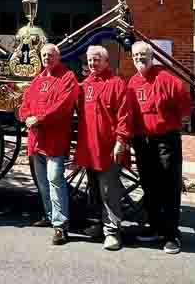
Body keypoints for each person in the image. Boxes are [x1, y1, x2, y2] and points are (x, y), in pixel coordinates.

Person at [127, 41, 192, 255]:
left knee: (169, 186)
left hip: (166, 140)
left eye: (143, 55)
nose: (139, 59)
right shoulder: (133, 83)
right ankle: (155, 227)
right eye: (136, 55)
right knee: (149, 185)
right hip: (142, 141)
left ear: (152, 56)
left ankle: (171, 234)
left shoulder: (167, 80)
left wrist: (168, 125)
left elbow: (185, 106)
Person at [19, 43, 78, 246]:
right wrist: (26, 116)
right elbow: (25, 103)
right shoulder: (38, 79)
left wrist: (40, 119)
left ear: (58, 57)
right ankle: (50, 215)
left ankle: (61, 226)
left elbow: (62, 106)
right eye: (44, 55)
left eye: (50, 55)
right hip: (37, 140)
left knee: (55, 179)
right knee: (43, 182)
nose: (46, 58)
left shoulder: (68, 78)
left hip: (55, 139)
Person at [74, 45, 131, 251]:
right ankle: (99, 224)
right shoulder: (85, 85)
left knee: (109, 191)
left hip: (108, 148)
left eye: (97, 59)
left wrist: (121, 141)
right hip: (89, 148)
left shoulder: (117, 84)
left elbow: (124, 116)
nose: (92, 63)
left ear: (106, 61)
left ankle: (113, 232)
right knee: (94, 190)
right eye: (90, 60)